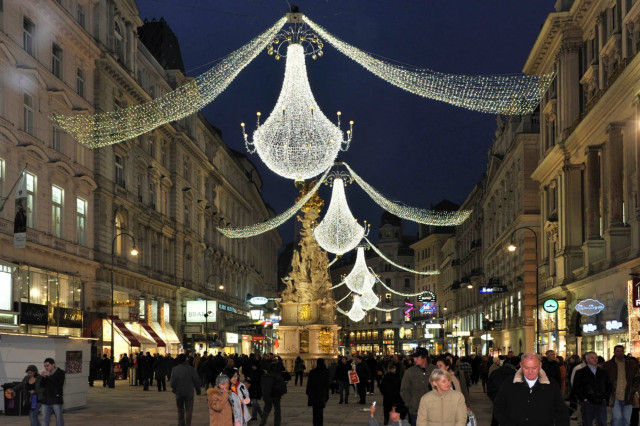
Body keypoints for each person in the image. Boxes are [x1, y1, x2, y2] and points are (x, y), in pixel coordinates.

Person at [492, 352, 569, 425]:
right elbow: (499, 407)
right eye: (526, 368)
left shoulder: (551, 385)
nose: (530, 371)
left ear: (540, 366)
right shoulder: (509, 384)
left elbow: (561, 412)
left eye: (534, 368)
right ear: (521, 365)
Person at [604, 344, 640, 426]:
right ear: (614, 352)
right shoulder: (608, 365)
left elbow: (637, 378)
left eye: (621, 351)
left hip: (628, 395)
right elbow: (604, 379)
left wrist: (633, 389)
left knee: (627, 420)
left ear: (624, 352)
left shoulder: (632, 364)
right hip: (615, 396)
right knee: (617, 418)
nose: (620, 353)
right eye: (618, 351)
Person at [572, 351, 611, 426]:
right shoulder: (580, 372)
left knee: (602, 422)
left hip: (601, 401)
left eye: (596, 357)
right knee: (587, 422)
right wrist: (583, 399)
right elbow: (576, 387)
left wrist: (605, 397)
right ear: (587, 360)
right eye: (592, 358)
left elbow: (608, 385)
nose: (595, 359)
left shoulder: (603, 372)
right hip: (588, 402)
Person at [400, 347, 435, 426]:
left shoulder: (434, 370)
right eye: (414, 357)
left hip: (433, 410)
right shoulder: (410, 372)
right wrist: (411, 403)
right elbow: (404, 390)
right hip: (415, 411)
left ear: (425, 357)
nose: (414, 359)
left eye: (417, 357)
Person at [486, 355, 519, 426]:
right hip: (512, 404)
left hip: (497, 400)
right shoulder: (516, 375)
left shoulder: (495, 372)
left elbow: (489, 387)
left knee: (496, 419)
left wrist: (494, 398)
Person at [170, 353, 201, 426]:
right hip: (189, 392)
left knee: (180, 410)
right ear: (185, 360)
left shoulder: (175, 369)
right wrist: (198, 390)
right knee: (189, 410)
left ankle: (181, 424)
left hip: (179, 392)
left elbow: (173, 381)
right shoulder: (191, 369)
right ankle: (188, 424)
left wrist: (174, 389)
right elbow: (196, 380)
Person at [40, 357, 65, 426]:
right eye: (45, 366)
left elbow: (59, 384)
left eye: (47, 365)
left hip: (56, 400)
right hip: (46, 400)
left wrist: (50, 376)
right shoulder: (46, 374)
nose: (46, 367)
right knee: (45, 419)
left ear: (53, 365)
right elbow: (41, 385)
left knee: (59, 419)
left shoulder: (60, 373)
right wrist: (42, 377)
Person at [306, 358, 330, 426]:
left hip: (314, 394)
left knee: (315, 411)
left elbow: (309, 383)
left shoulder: (312, 372)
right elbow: (327, 385)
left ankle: (315, 424)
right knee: (320, 411)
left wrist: (308, 392)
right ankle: (320, 424)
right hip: (322, 394)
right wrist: (327, 395)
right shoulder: (325, 372)